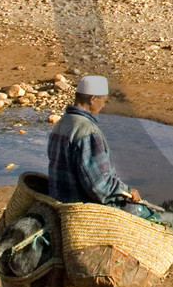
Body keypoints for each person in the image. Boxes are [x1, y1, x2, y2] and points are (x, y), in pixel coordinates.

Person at [47, 75, 158, 220]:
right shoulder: (88, 131)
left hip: (59, 196)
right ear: (93, 99)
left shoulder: (63, 122)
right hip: (80, 204)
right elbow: (99, 186)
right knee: (151, 215)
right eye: (103, 100)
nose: (103, 105)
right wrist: (127, 190)